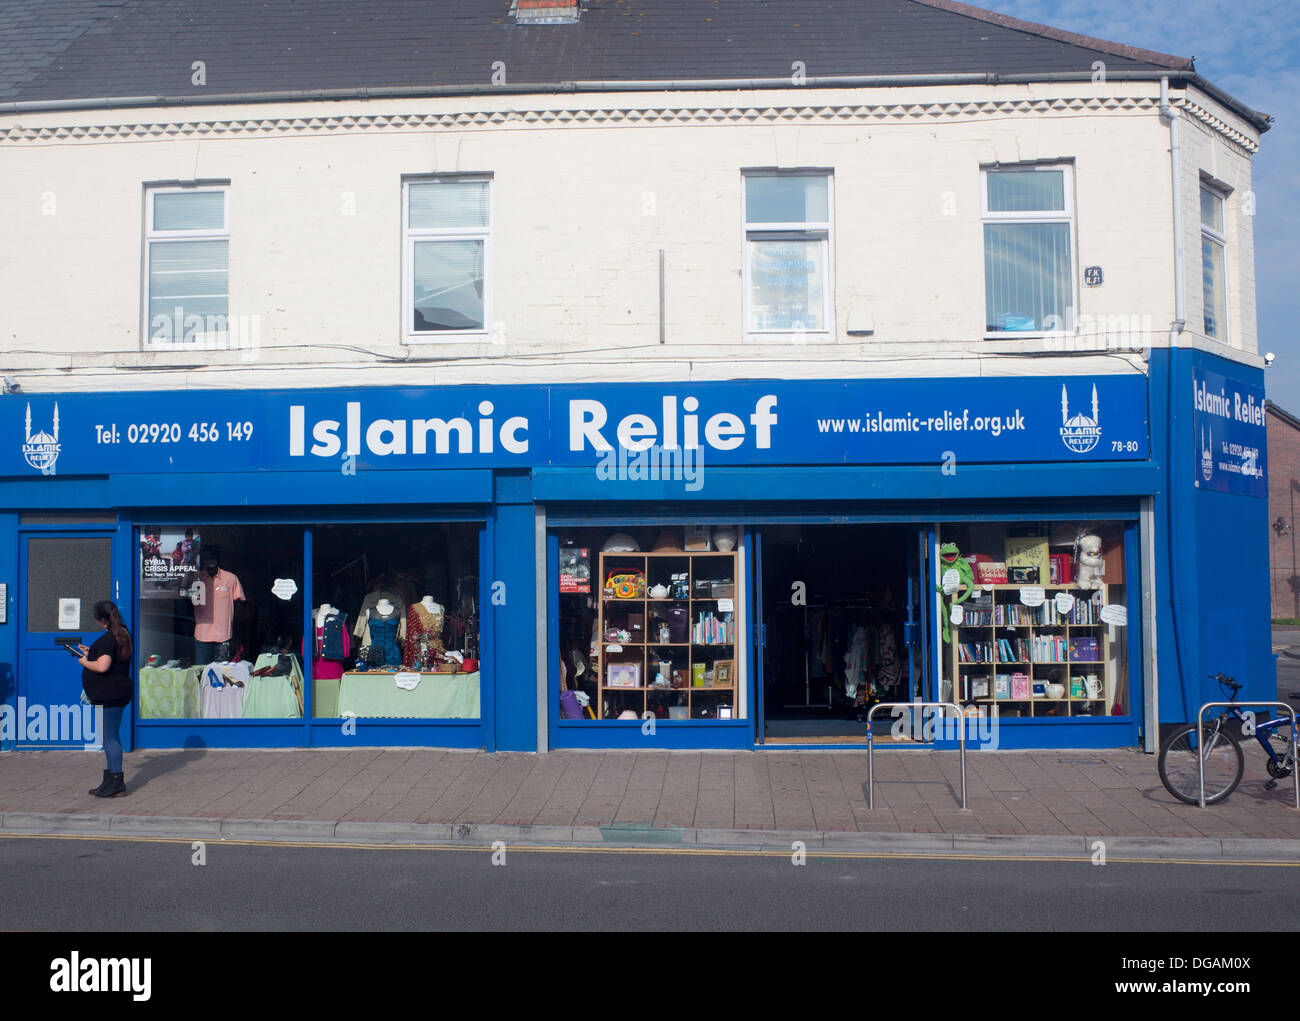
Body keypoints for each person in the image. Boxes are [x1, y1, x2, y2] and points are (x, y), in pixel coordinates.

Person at [76, 600, 134, 798]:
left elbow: (102, 666)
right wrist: (92, 651)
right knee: (112, 737)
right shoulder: (123, 633)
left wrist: (84, 660)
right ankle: (110, 779)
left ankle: (116, 782)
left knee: (109, 739)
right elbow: (110, 656)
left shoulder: (109, 639)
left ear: (102, 620)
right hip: (118, 692)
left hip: (108, 695)